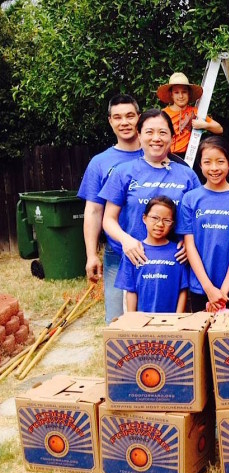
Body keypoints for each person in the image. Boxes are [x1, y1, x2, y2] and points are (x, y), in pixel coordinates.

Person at [100, 109, 201, 300]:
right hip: (138, 263)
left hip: (177, 268)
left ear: (172, 137)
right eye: (149, 132)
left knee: (179, 325)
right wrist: (126, 240)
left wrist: (190, 244)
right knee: (137, 325)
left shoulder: (187, 175)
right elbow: (108, 220)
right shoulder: (123, 172)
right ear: (139, 136)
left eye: (163, 132)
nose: (156, 138)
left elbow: (198, 219)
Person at [77, 94, 143, 323]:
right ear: (110, 122)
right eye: (118, 117)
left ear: (139, 118)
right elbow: (94, 211)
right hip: (117, 253)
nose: (124, 122)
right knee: (117, 321)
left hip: (159, 251)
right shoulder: (100, 162)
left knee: (159, 320)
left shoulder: (157, 155)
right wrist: (91, 254)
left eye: (130, 116)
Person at [178, 136, 229, 312]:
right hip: (200, 286)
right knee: (202, 337)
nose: (214, 168)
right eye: (207, 162)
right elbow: (189, 246)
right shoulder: (190, 199)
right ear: (200, 165)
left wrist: (222, 292)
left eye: (220, 161)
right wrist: (208, 288)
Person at [114, 196, 189, 312]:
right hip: (142, 323)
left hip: (171, 323)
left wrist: (177, 319)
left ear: (173, 224)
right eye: (155, 218)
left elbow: (183, 290)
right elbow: (131, 290)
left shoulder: (179, 253)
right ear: (144, 218)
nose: (160, 224)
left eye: (167, 220)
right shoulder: (134, 252)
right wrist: (132, 320)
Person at [157, 72, 224, 157]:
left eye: (184, 92)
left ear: (189, 93)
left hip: (189, 157)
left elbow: (219, 129)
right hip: (167, 155)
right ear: (171, 95)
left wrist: (204, 125)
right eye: (176, 92)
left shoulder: (194, 112)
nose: (181, 96)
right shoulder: (163, 114)